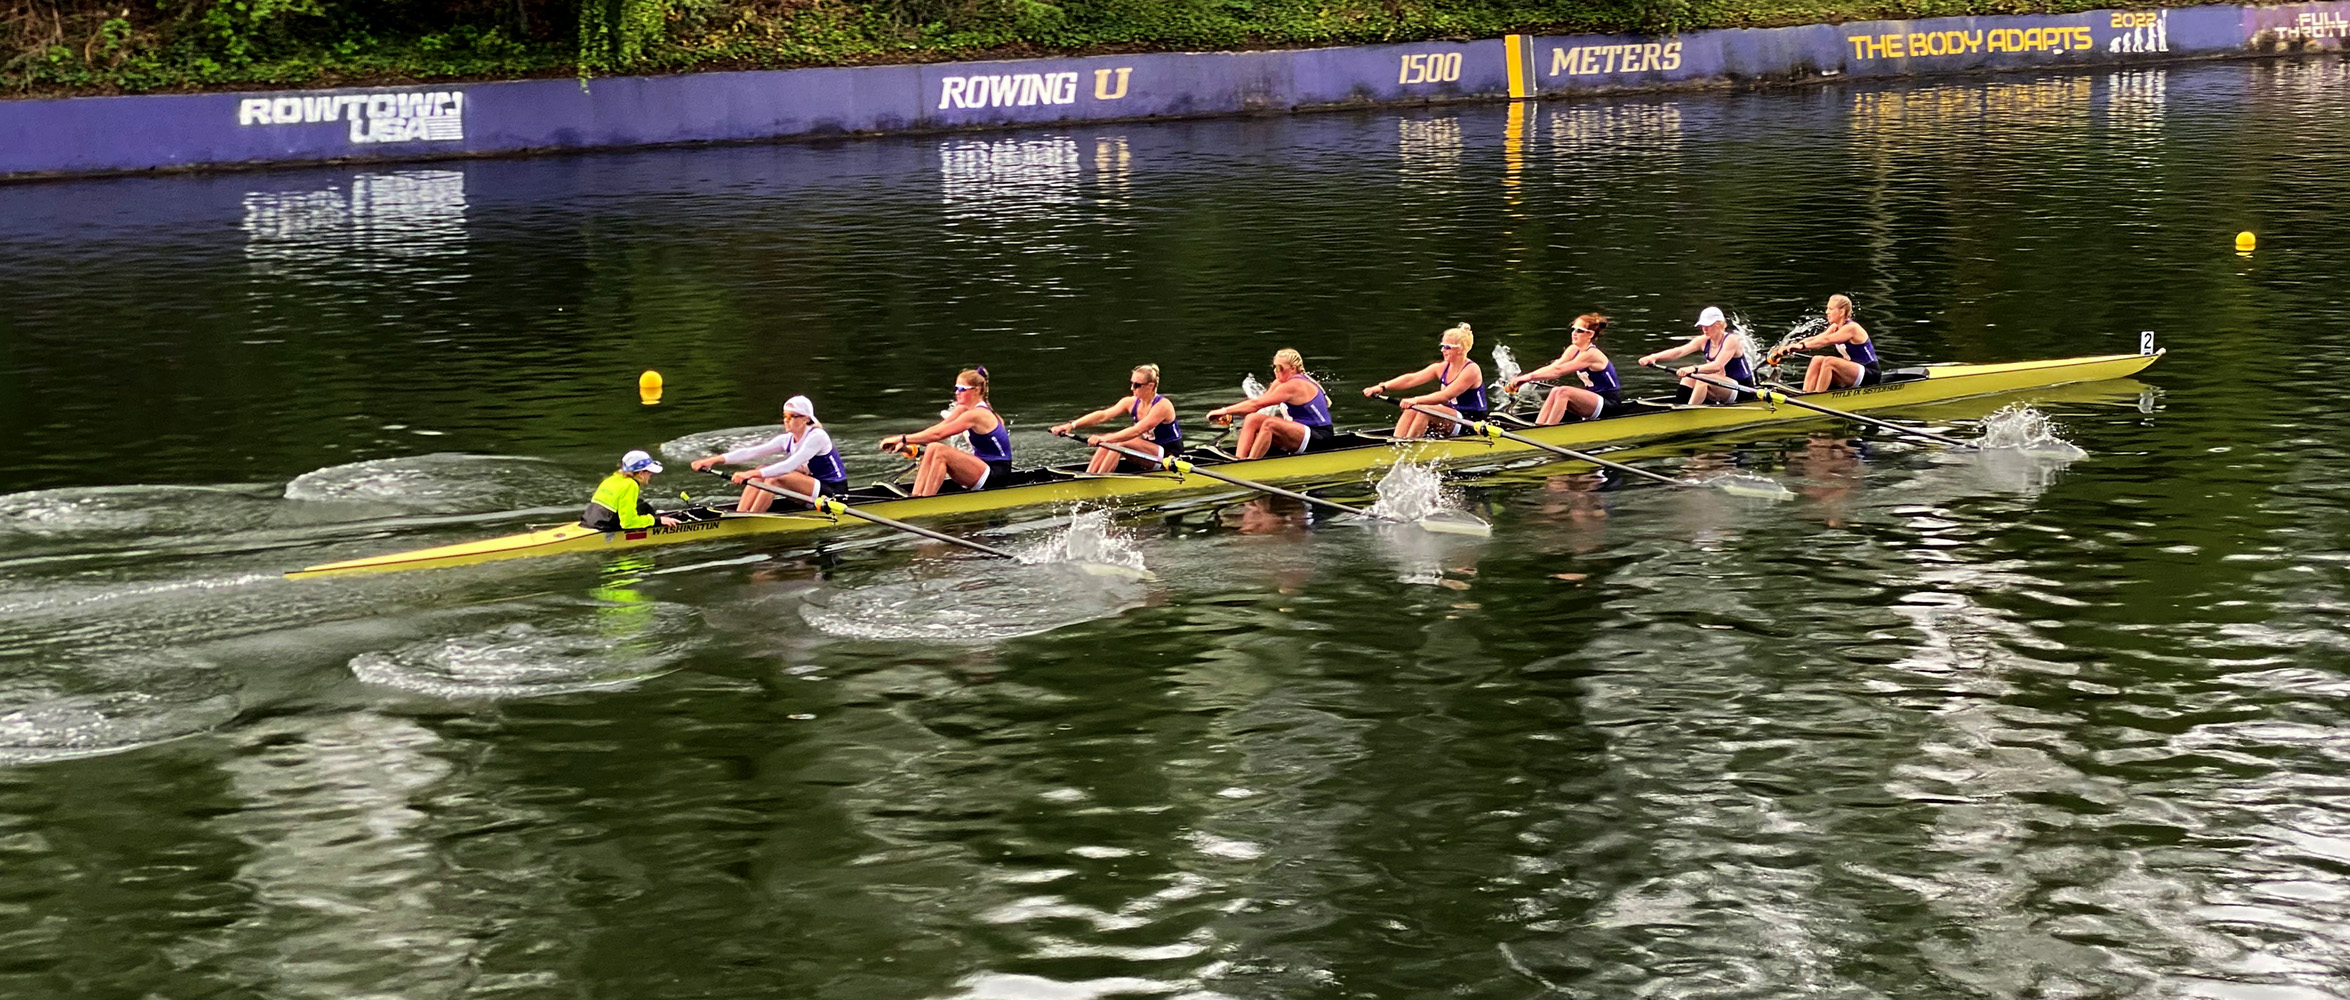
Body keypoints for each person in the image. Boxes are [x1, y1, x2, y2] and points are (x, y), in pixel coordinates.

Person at [689, 395, 848, 513]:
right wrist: (712, 460)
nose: (786, 420)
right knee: (760, 472)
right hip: (812, 489)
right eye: (785, 416)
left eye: (791, 416)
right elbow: (751, 452)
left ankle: (752, 519)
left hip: (834, 493)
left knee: (774, 478)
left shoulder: (817, 436)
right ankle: (740, 515)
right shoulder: (787, 439)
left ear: (806, 419)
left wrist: (749, 473)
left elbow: (789, 466)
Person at [879, 367, 1014, 496]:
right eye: (956, 388)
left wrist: (901, 438)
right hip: (982, 466)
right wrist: (907, 446)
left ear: (976, 390)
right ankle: (916, 496)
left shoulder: (978, 414)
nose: (957, 393)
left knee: (941, 451)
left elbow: (938, 435)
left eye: (962, 389)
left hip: (996, 474)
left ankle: (925, 501)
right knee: (933, 446)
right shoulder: (964, 409)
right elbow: (936, 431)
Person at [1361, 322, 1486, 437]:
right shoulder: (1442, 367)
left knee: (1424, 409)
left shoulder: (1471, 370)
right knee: (1412, 408)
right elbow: (1411, 379)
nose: (1442, 350)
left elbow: (1445, 396)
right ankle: (1397, 443)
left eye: (1447, 347)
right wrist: (1382, 387)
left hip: (1471, 422)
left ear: (1460, 349)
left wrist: (1415, 400)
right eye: (1442, 346)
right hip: (1451, 416)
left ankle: (1410, 447)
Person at [1206, 348, 1335, 459]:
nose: (1275, 371)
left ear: (1292, 368)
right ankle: (1239, 460)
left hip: (1320, 437)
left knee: (1270, 424)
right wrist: (1232, 415)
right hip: (1301, 433)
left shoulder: (1295, 385)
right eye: (1274, 367)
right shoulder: (1279, 383)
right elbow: (1257, 405)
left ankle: (1250, 465)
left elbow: (1256, 405)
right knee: (1252, 419)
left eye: (1279, 368)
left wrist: (1223, 411)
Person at [1054, 364, 1184, 473]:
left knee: (1120, 441)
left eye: (1137, 385)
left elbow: (1136, 431)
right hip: (1148, 452)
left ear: (1150, 386)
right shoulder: (1130, 402)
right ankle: (1089, 475)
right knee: (1110, 440)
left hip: (1169, 457)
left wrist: (1105, 438)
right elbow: (1103, 415)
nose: (1132, 388)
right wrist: (1072, 425)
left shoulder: (1163, 405)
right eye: (1132, 383)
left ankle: (1099, 480)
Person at [1503, 313, 1622, 424]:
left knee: (1563, 391)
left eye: (1580, 331)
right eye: (1573, 329)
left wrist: (1527, 377)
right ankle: (1538, 426)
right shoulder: (1573, 349)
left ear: (1590, 334)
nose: (1574, 333)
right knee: (1556, 390)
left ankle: (1549, 429)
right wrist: (1524, 379)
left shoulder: (1592, 354)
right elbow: (1554, 367)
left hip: (1609, 404)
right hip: (1592, 400)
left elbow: (1558, 372)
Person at [1638, 306, 1754, 405]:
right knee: (1688, 378)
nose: (1704, 329)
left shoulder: (1731, 340)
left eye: (1708, 325)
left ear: (1719, 324)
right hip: (1722, 386)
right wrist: (1653, 357)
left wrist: (1693, 369)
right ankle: (1679, 408)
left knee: (1701, 379)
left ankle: (1689, 414)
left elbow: (1717, 365)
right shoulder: (1704, 340)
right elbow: (1679, 351)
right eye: (1702, 325)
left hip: (1742, 390)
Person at [1772, 293, 1880, 392]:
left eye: (1830, 309)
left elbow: (1826, 341)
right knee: (1817, 359)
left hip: (1869, 374)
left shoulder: (1852, 328)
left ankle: (1818, 396)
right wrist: (1791, 347)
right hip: (1853, 372)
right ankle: (1806, 394)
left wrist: (1801, 346)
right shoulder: (1835, 327)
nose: (1827, 312)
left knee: (1829, 361)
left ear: (1841, 312)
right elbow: (1816, 339)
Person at [581, 450, 680, 532]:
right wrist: (657, 521)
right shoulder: (631, 485)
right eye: (649, 472)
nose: (651, 475)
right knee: (645, 508)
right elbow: (628, 523)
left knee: (640, 504)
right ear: (641, 473)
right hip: (604, 527)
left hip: (588, 521)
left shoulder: (612, 479)